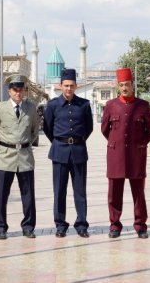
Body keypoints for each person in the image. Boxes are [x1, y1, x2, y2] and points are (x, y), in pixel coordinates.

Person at [100, 67, 150, 239]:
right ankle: (115, 225)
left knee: (138, 192)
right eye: (121, 85)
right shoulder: (111, 106)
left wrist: (140, 143)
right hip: (116, 155)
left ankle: (140, 225)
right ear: (118, 86)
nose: (124, 88)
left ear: (133, 85)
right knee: (114, 192)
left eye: (127, 84)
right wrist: (116, 142)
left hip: (136, 155)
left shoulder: (142, 106)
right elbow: (104, 129)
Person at [43, 68, 93, 238]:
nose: (68, 89)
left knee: (80, 191)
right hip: (59, 152)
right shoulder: (52, 105)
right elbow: (48, 128)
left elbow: (89, 128)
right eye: (65, 86)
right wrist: (60, 142)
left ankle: (81, 225)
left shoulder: (84, 105)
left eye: (71, 86)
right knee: (59, 191)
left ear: (76, 86)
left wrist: (76, 141)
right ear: (60, 86)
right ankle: (60, 225)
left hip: (78, 151)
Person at [0, 74, 39, 239]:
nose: (18, 93)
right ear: (9, 91)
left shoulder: (31, 108)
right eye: (15, 89)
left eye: (21, 89)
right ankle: (1, 227)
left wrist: (23, 144)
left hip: (25, 157)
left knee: (28, 195)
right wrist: (7, 145)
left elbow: (34, 131)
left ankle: (28, 227)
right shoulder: (0, 108)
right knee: (2, 195)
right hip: (5, 157)